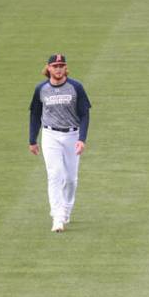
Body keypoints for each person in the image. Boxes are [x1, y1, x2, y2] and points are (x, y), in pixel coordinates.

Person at [28, 54, 92, 233]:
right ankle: (57, 216)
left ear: (66, 68)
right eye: (55, 66)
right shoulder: (41, 89)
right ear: (48, 68)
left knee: (71, 178)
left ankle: (66, 209)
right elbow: (34, 114)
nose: (58, 69)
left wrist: (82, 139)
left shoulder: (76, 87)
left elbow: (85, 114)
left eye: (61, 65)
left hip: (72, 135)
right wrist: (32, 139)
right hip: (50, 135)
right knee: (55, 175)